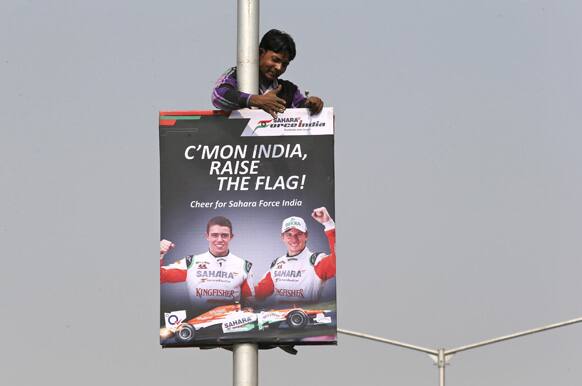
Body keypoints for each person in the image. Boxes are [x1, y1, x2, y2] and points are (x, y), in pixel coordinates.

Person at [211, 29, 324, 118]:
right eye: (275, 60)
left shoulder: (288, 90)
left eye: (284, 64)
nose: (279, 67)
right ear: (260, 53)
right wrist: (257, 100)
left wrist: (312, 104)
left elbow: (301, 107)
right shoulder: (237, 75)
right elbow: (218, 95)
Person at [160, 216, 253, 309]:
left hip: (230, 322)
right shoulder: (191, 262)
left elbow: (250, 304)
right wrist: (159, 253)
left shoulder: (244, 266)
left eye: (224, 235)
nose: (220, 240)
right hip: (198, 321)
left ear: (231, 237)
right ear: (207, 236)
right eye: (214, 235)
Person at [254, 207, 336, 304]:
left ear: (306, 236)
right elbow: (258, 293)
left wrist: (329, 223)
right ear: (282, 237)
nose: (294, 239)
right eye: (289, 234)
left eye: (299, 234)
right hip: (279, 317)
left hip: (307, 316)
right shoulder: (277, 263)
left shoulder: (316, 261)